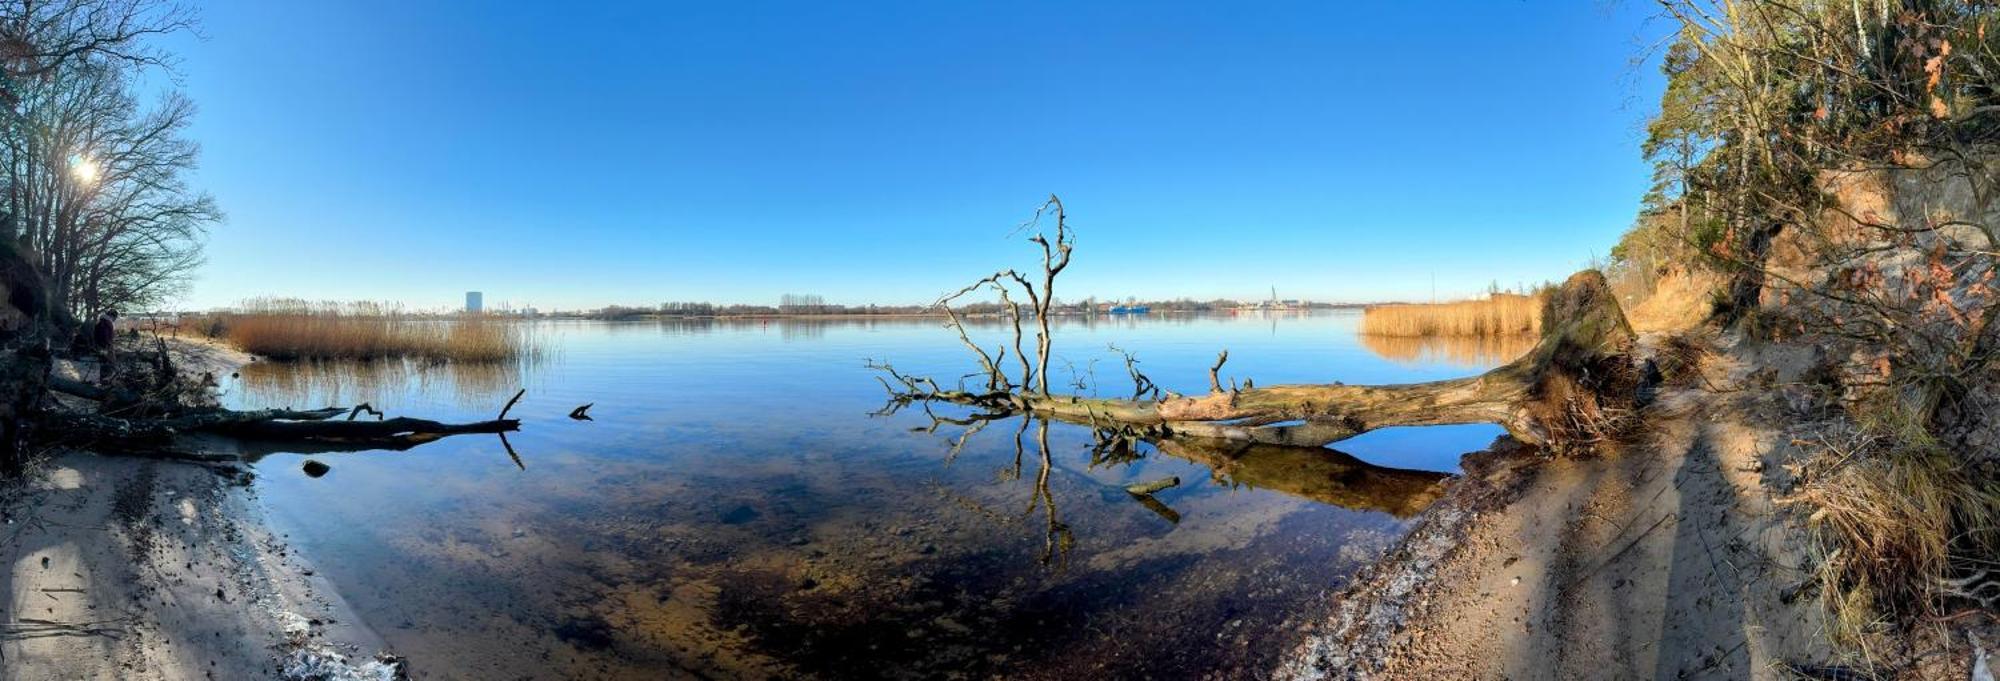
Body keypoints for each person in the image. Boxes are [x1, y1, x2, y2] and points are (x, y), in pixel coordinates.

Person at [93, 310, 117, 381]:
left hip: (101, 346)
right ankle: (106, 379)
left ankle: (104, 378)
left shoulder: (101, 322)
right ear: (112, 316)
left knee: (104, 362)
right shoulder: (106, 323)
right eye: (115, 317)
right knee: (108, 362)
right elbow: (104, 336)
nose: (115, 319)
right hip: (105, 346)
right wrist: (108, 344)